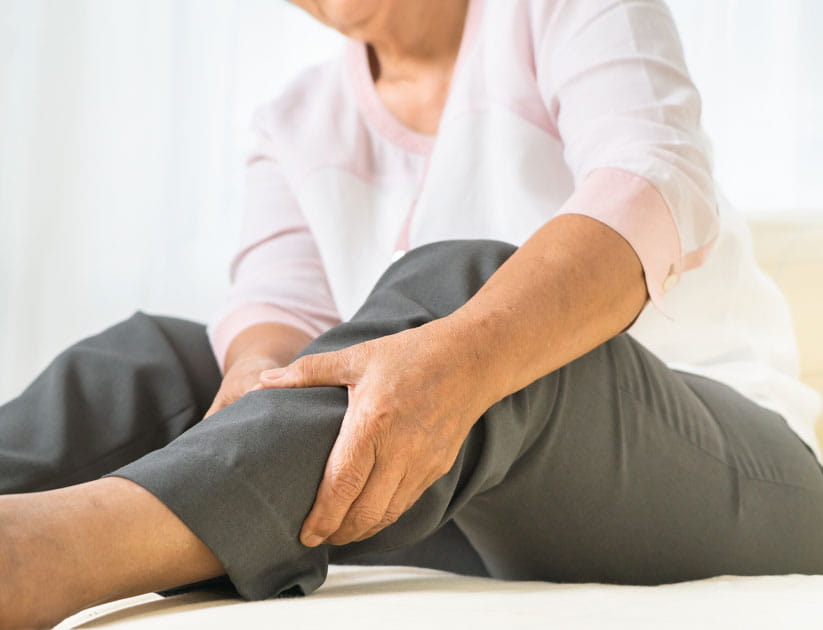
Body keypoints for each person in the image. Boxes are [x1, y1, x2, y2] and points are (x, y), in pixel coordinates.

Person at [2, 0, 822, 627]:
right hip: (451, 496)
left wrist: (462, 354)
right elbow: (277, 304)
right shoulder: (292, 119)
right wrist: (257, 375)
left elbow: (652, 176)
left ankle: (58, 552)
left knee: (468, 294)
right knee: (162, 359)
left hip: (725, 468)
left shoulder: (559, 11)